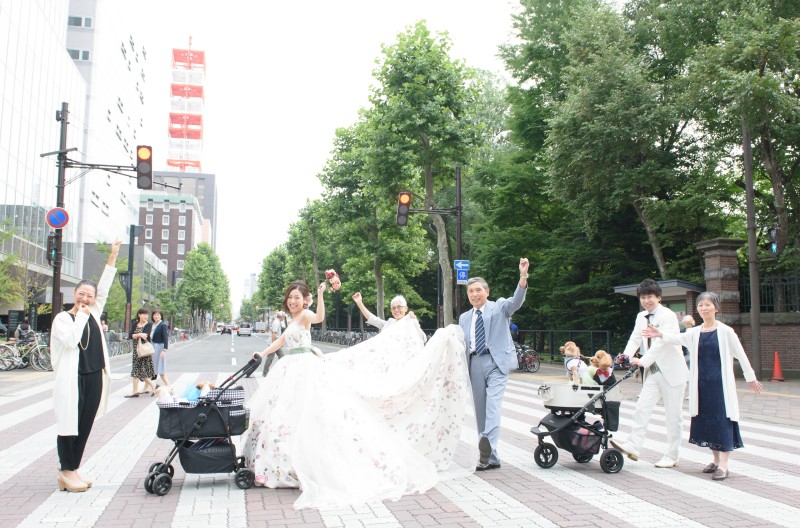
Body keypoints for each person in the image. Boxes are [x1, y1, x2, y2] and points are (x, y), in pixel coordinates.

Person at [243, 280, 475, 509]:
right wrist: (261, 353)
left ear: (304, 300)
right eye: (290, 297)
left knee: (310, 413)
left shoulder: (305, 315)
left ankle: (308, 464)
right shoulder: (292, 320)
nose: (293, 301)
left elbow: (320, 318)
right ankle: (284, 463)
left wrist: (322, 294)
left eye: (297, 297)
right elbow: (281, 342)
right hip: (289, 368)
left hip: (305, 368)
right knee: (286, 414)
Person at [643, 292, 763, 480]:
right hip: (701, 384)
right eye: (700, 305)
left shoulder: (726, 331)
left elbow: (741, 354)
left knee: (722, 419)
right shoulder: (695, 332)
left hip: (720, 385)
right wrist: (659, 334)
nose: (704, 308)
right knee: (707, 419)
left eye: (707, 305)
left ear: (716, 307)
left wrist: (750, 377)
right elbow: (676, 338)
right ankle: (715, 460)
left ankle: (724, 465)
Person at [51, 238, 122, 492]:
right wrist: (80, 314)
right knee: (68, 423)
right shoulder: (63, 318)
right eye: (81, 294)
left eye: (89, 296)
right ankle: (65, 470)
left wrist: (112, 256)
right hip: (73, 379)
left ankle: (75, 468)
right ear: (74, 294)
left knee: (85, 423)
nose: (86, 298)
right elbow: (71, 341)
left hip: (94, 376)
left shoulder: (93, 311)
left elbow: (105, 284)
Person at [459, 257, 529, 471]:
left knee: (493, 407)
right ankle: (492, 457)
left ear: (486, 292)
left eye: (478, 290)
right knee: (480, 411)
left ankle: (486, 448)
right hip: (474, 363)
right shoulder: (463, 318)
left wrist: (523, 276)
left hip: (496, 362)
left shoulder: (499, 307)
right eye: (470, 291)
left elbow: (516, 302)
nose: (474, 294)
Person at [610, 278, 688, 469]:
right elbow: (635, 338)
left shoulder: (668, 316)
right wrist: (625, 356)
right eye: (643, 297)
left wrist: (642, 361)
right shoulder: (641, 317)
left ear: (658, 297)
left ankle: (672, 455)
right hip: (653, 372)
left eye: (650, 297)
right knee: (641, 407)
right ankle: (633, 446)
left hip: (672, 372)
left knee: (673, 415)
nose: (646, 301)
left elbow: (662, 343)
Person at [352, 291, 427, 341]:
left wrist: (415, 323)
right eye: (393, 308)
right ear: (391, 311)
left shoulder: (410, 321)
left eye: (399, 306)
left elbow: (423, 338)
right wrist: (359, 302)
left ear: (406, 309)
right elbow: (372, 318)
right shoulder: (389, 323)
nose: (396, 310)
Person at [125, 308, 157, 398]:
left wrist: (137, 335)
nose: (145, 316)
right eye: (143, 314)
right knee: (136, 369)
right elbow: (130, 335)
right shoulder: (135, 323)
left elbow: (145, 336)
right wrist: (139, 334)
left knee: (144, 370)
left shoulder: (149, 324)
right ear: (139, 315)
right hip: (136, 350)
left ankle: (152, 386)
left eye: (147, 315)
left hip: (145, 350)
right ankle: (136, 390)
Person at [150, 309, 173, 394]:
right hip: (152, 346)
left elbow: (165, 337)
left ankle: (169, 387)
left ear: (161, 316)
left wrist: (164, 349)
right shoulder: (153, 325)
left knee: (160, 368)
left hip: (159, 347)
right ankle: (153, 387)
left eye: (158, 315)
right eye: (155, 315)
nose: (156, 316)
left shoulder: (162, 325)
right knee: (152, 367)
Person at [260, 312, 286, 377]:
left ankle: (281, 370)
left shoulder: (277, 322)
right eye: (284, 316)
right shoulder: (276, 322)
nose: (284, 317)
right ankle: (265, 372)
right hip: (274, 343)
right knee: (270, 358)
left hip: (276, 343)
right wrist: (273, 344)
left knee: (282, 357)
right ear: (281, 316)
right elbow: (274, 334)